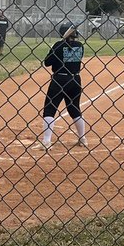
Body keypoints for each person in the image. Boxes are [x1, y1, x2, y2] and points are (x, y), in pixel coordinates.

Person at [41, 22, 86, 150]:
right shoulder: (80, 46)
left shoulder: (58, 45)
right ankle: (82, 138)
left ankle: (46, 141)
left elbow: (47, 62)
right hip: (75, 79)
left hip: (59, 79)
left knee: (49, 109)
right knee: (74, 108)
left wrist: (55, 49)